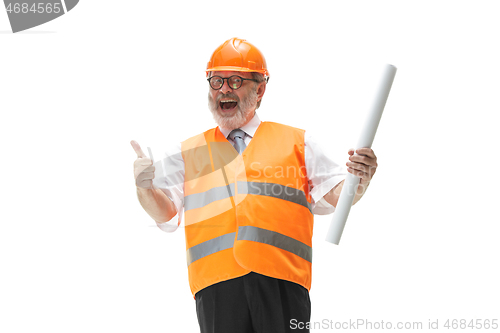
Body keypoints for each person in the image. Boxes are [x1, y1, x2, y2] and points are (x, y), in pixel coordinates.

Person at [131, 37, 378, 333]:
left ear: (259, 89)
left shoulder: (299, 143)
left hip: (283, 284)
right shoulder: (187, 153)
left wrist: (358, 180)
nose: (223, 89)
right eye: (216, 81)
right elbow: (165, 214)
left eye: (235, 81)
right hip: (215, 289)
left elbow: (339, 197)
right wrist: (144, 188)